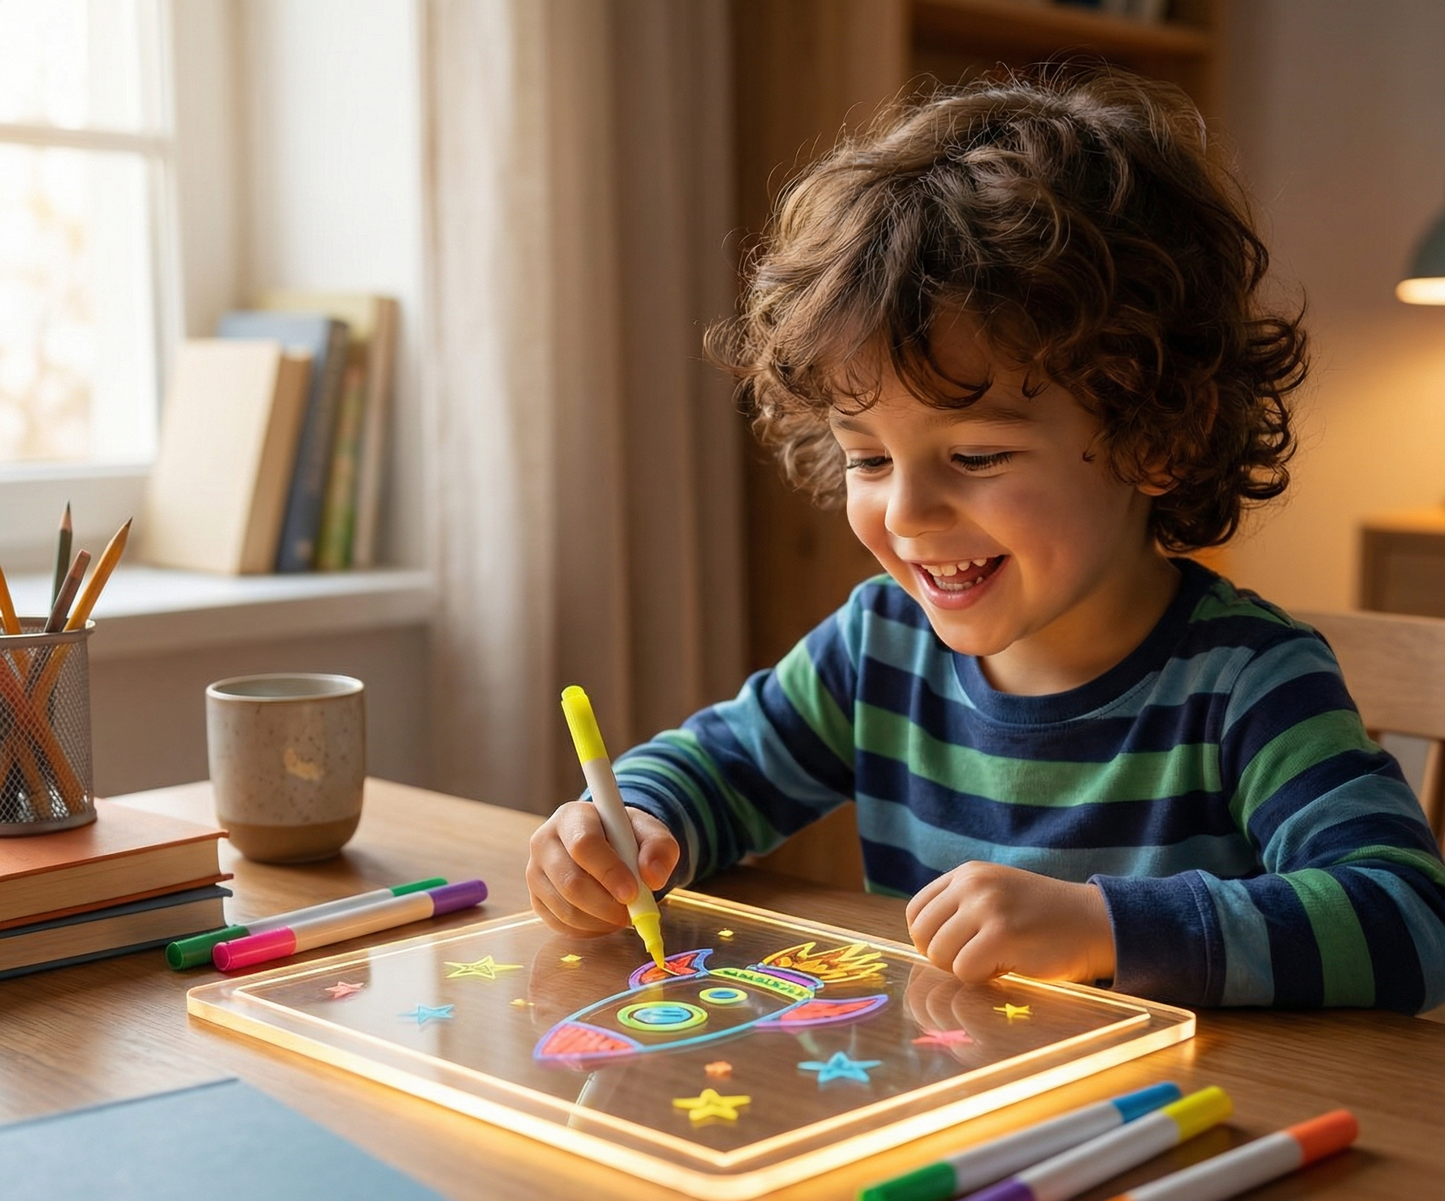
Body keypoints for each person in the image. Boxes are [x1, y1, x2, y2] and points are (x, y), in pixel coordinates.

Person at [527, 67, 1445, 1012]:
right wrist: (630, 820)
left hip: (1176, 1122)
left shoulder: (1248, 682)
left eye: (974, 453)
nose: (908, 514)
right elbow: (725, 765)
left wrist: (1105, 927)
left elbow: (1406, 920)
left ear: (1156, 437)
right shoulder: (879, 644)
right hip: (952, 1111)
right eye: (870, 458)